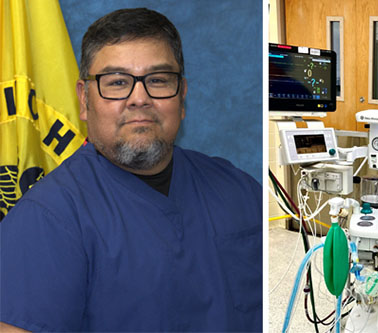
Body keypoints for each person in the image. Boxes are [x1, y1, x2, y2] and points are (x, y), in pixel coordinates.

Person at [0, 8, 262, 331]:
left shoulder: (240, 190)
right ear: (84, 100)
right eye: (117, 82)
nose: (139, 98)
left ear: (182, 96)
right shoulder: (45, 221)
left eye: (158, 80)